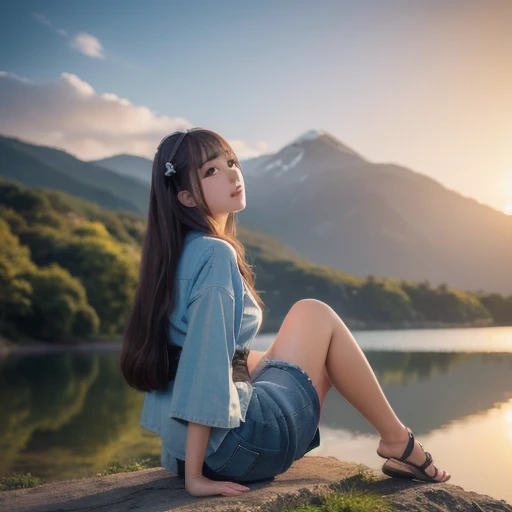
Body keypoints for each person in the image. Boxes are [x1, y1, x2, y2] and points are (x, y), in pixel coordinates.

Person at [120, 128, 451, 498]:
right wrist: (196, 478)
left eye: (231, 162)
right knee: (315, 315)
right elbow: (204, 368)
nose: (232, 174)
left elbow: (201, 359)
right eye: (211, 171)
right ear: (185, 196)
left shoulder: (175, 254)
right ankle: (397, 441)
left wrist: (185, 463)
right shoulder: (215, 254)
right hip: (236, 449)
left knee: (278, 354)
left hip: (190, 451)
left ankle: (394, 440)